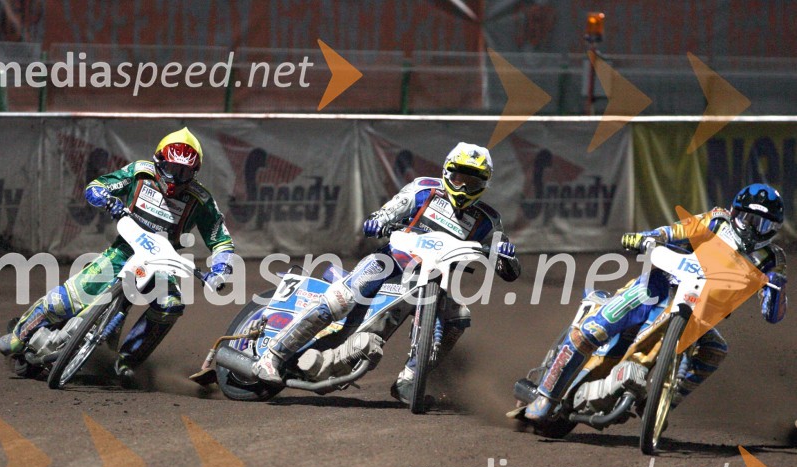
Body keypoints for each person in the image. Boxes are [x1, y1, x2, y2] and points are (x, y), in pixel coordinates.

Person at [250, 142, 521, 404]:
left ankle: (409, 379)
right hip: (389, 262)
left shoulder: (488, 220)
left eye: (472, 182)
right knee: (339, 300)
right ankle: (272, 356)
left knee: (458, 317)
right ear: (448, 173)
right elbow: (392, 208)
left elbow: (509, 266)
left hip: (435, 280)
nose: (464, 187)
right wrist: (379, 220)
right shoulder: (424, 189)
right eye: (460, 178)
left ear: (484, 184)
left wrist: (506, 255)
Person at [0, 127, 235, 387]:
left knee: (171, 305)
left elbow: (221, 240)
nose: (176, 178)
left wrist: (220, 270)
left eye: (184, 172)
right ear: (158, 161)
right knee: (64, 301)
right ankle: (19, 336)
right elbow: (97, 186)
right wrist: (105, 198)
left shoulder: (200, 200)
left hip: (162, 261)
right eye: (171, 168)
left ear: (194, 172)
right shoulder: (140, 172)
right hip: (123, 251)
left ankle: (126, 360)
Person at [525, 183, 787, 420]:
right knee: (593, 330)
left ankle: (662, 401)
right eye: (749, 219)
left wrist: (776, 290)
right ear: (735, 213)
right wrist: (644, 237)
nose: (753, 229)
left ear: (773, 229)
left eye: (762, 224)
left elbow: (772, 315)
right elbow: (674, 231)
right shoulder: (716, 222)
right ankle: (546, 394)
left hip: (700, 316)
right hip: (660, 286)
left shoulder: (772, 259)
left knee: (715, 349)